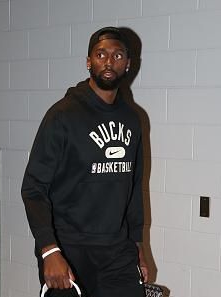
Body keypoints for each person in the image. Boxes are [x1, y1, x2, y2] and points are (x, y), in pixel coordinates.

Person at [21, 26, 148, 297]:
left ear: (128, 64)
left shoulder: (133, 119)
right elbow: (33, 188)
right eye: (101, 54)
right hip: (68, 248)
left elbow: (135, 186)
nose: (109, 61)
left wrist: (137, 243)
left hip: (116, 248)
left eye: (118, 55)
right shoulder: (63, 115)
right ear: (89, 62)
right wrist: (49, 249)